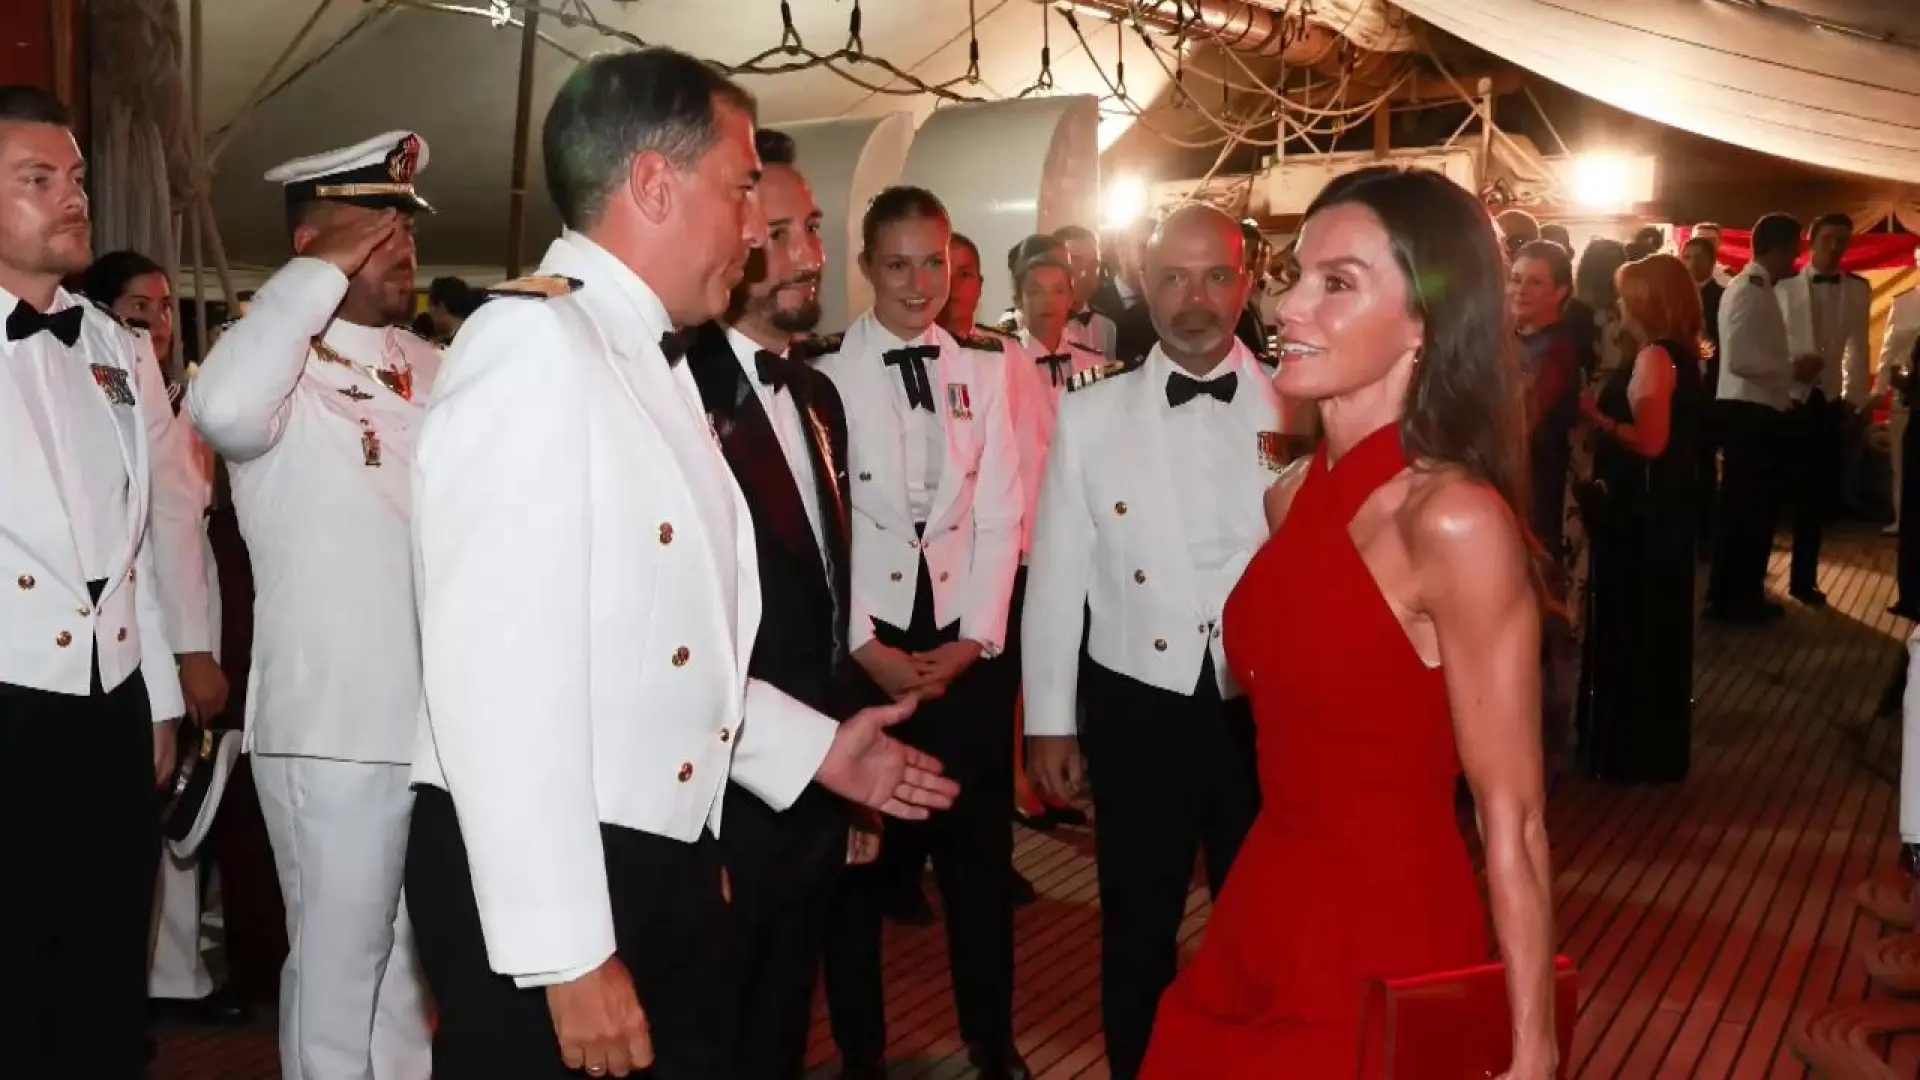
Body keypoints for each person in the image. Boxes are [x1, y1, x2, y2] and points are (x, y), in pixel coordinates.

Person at [403, 48, 958, 1080]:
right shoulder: (532, 349)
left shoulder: (643, 356)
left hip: (649, 852)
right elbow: (494, 680)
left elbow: (655, 645)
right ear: (654, 184)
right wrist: (566, 949)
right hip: (563, 870)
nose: (757, 229)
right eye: (743, 189)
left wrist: (814, 752)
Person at [1140, 165, 1557, 1078]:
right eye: (1295, 276)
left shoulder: (1451, 521)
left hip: (1387, 930)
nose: (1290, 307)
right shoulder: (1292, 498)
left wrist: (1532, 1049)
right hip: (1264, 904)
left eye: (1337, 285)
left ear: (1425, 325)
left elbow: (1513, 815)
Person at [188, 131, 442, 1080]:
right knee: (339, 979)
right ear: (313, 248)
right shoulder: (273, 366)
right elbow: (219, 414)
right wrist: (312, 282)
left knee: (411, 982)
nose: (398, 245)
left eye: (406, 225)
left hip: (429, 723)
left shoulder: (433, 364)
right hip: (332, 722)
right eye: (370, 230)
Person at [1023, 203, 1277, 1080]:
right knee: (1136, 926)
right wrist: (1049, 721)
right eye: (1173, 277)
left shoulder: (1304, 407)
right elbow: (1057, 573)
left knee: (1266, 925)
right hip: (1137, 703)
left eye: (1214, 277)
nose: (1194, 298)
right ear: (1144, 284)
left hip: (1266, 709)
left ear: (1245, 283)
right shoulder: (1093, 416)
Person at [814, 185, 1028, 1080]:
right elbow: (820, 528)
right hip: (863, 649)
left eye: (933, 263)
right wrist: (864, 645)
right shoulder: (817, 374)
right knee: (857, 870)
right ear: (866, 268)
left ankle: (992, 1041)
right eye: (897, 264)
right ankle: (862, 1051)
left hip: (958, 650)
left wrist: (975, 640)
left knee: (980, 868)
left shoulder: (986, 368)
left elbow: (1001, 512)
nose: (918, 281)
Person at [0, 84, 187, 1080]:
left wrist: (155, 695)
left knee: (106, 972)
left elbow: (143, 540)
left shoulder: (115, 348)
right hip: (7, 694)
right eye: (38, 180)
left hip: (107, 703)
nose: (72, 199)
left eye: (75, 179)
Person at [679, 125, 867, 1080]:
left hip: (816, 779)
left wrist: (850, 757)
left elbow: (829, 602)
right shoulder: (676, 396)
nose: (810, 257)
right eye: (784, 234)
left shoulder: (821, 394)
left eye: (816, 230)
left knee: (787, 1023)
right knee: (714, 1034)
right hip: (721, 783)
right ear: (740, 240)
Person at [80, 251, 245, 1025]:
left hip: (193, 602)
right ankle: (156, 981)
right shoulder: (93, 378)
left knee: (185, 810)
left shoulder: (191, 396)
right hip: (127, 626)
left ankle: (174, 973)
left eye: (163, 305)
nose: (152, 319)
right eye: (135, 305)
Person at [1576, 254, 1708, 783]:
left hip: (1643, 512)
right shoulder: (1683, 355)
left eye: (1627, 295)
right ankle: (1651, 747)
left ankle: (1628, 749)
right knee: (1657, 626)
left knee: (1633, 623)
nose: (1619, 305)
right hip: (1668, 509)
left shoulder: (1656, 356)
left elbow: (1651, 442)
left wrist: (1596, 418)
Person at [1707, 213, 1803, 623]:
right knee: (1748, 510)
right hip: (1750, 413)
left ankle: (1737, 593)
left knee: (1749, 509)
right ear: (1779, 248)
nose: (1796, 259)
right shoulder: (1749, 289)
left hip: (1757, 410)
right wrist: (1791, 371)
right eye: (1794, 249)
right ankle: (1736, 598)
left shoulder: (1756, 287)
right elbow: (1743, 359)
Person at [1774, 211, 1871, 606]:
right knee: (1774, 490)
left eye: (1843, 241)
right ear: (1811, 242)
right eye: (1829, 239)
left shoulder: (1858, 289)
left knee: (1816, 497)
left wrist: (1854, 398)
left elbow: (1859, 347)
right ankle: (1757, 580)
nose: (1835, 248)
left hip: (1827, 401)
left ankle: (1804, 580)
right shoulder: (1781, 286)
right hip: (1786, 397)